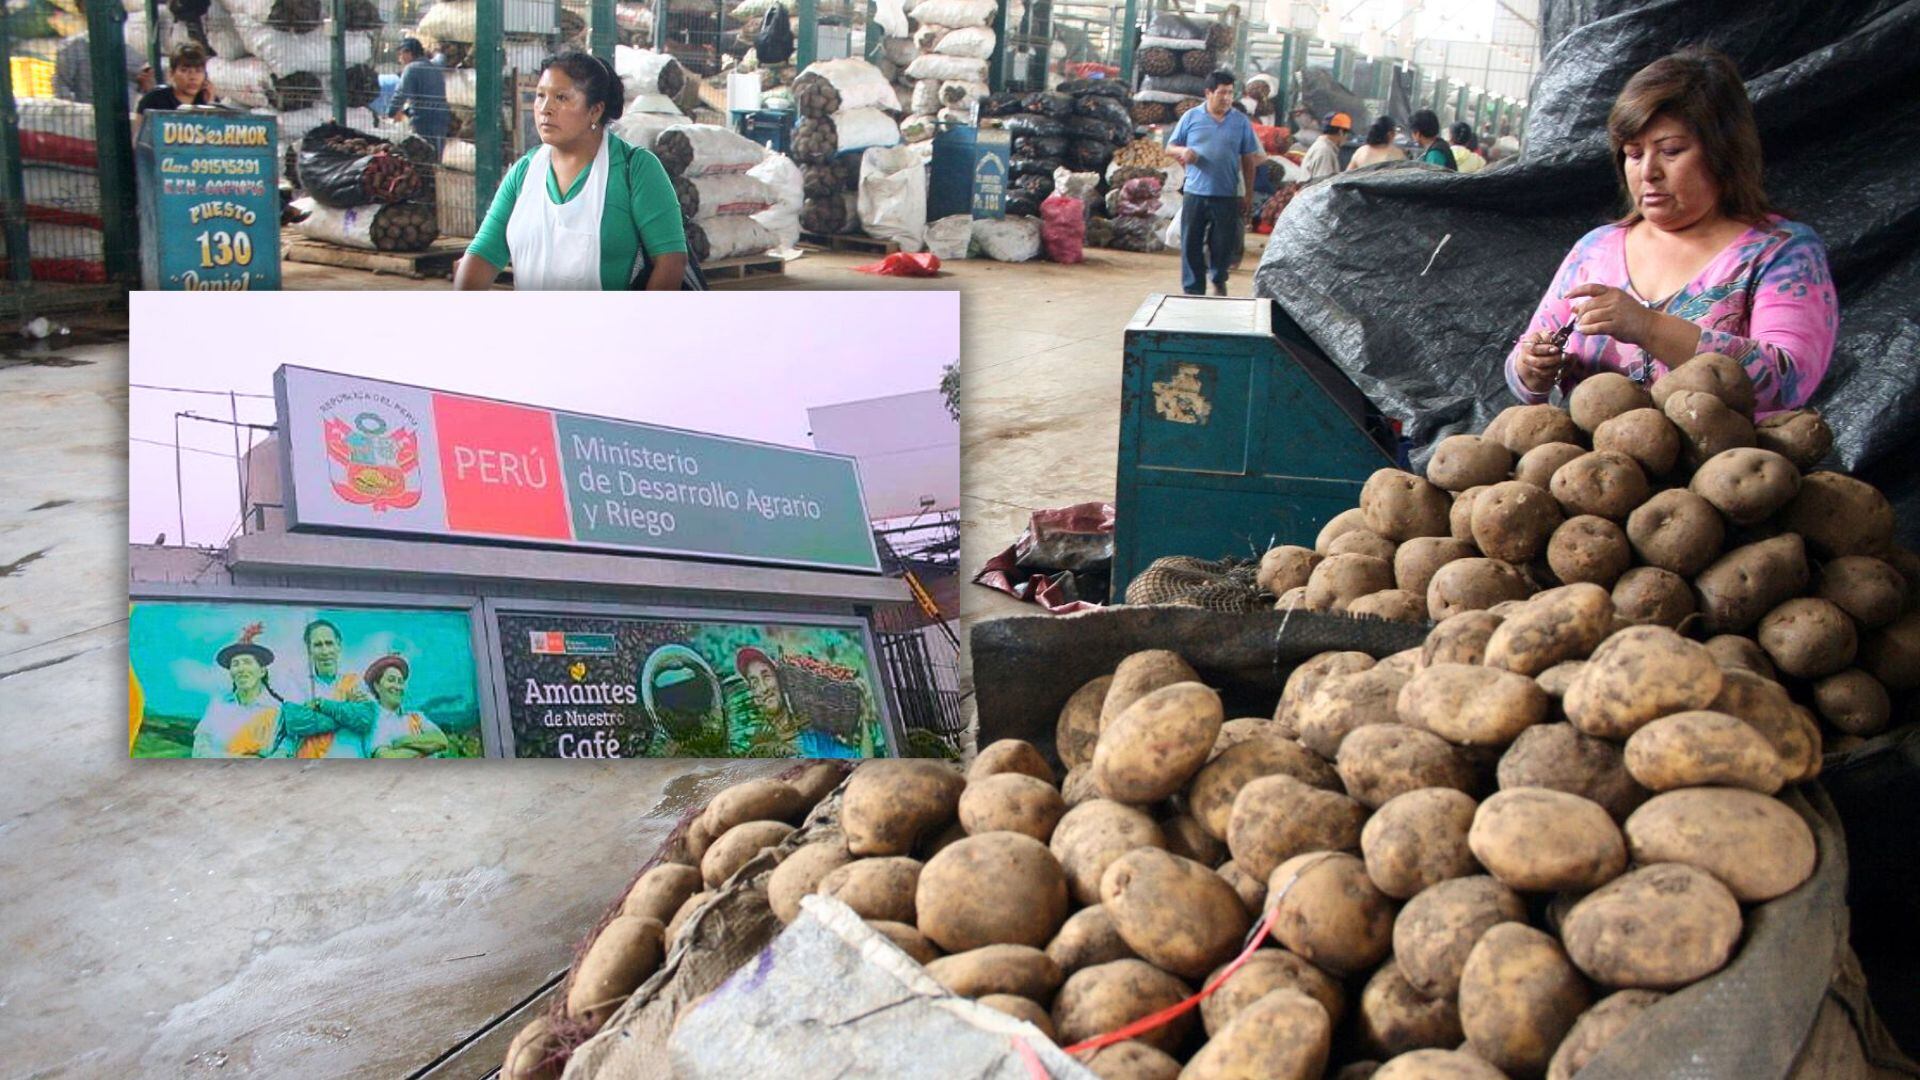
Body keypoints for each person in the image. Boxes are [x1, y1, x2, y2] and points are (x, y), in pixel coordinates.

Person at [1507, 46, 1837, 414]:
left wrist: (1648, 328)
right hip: (1589, 464)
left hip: (1724, 466)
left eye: (1671, 150)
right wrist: (1532, 368)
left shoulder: (1780, 252)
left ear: (1724, 154)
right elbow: (1524, 369)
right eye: (1633, 154)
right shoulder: (1595, 250)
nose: (1648, 172)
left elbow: (1788, 379)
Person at [455, 51, 688, 291]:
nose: (545, 108)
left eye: (561, 98)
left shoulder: (636, 170)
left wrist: (641, 325)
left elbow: (671, 261)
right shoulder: (524, 172)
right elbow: (482, 255)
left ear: (595, 111)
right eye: (540, 95)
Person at [1166, 70, 1264, 297]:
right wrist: (1183, 151)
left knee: (1222, 243)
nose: (1227, 98)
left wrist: (1248, 194)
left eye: (1230, 93)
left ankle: (1219, 279)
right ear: (1208, 93)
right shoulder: (1191, 117)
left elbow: (1248, 159)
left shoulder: (1240, 122)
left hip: (1227, 193)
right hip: (1195, 192)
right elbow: (1170, 147)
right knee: (1191, 241)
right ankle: (1193, 288)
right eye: (1222, 93)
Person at [275, 618, 377, 758]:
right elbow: (294, 722)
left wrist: (322, 705)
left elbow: (365, 719)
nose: (325, 651)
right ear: (309, 650)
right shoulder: (297, 681)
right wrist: (347, 712)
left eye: (329, 643)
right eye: (318, 645)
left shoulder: (354, 680)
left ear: (338, 646)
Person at [192, 624, 284, 759]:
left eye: (247, 662)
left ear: (262, 671)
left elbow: (284, 754)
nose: (241, 669)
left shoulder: (277, 710)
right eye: (235, 664)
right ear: (231, 673)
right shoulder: (218, 705)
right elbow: (199, 751)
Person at [360, 655, 451, 758]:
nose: (397, 686)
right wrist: (426, 749)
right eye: (391, 680)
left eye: (400, 682)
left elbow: (441, 741)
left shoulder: (416, 717)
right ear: (377, 686)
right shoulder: (373, 721)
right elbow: (387, 758)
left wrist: (400, 742)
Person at [388, 37, 449, 153]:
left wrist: (391, 112)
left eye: (401, 54)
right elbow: (441, 59)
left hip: (423, 118)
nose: (399, 58)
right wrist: (438, 51)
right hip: (441, 117)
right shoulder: (435, 65)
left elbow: (401, 93)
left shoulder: (411, 68)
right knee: (436, 152)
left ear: (409, 53)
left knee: (422, 153)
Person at [136, 44, 217, 114]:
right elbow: (139, 130)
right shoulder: (153, 100)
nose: (193, 77)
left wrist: (210, 105)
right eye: (184, 70)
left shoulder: (208, 98)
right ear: (171, 73)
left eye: (198, 71)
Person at [1301, 110, 1349, 180]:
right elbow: (1323, 186)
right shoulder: (1325, 151)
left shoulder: (1322, 147)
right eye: (1347, 134)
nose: (1347, 138)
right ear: (1341, 132)